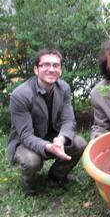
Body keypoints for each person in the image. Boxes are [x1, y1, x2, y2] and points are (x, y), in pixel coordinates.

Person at [7, 49, 87, 196]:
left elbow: (68, 120)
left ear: (60, 70)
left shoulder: (64, 88)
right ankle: (28, 183)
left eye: (56, 65)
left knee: (80, 143)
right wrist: (48, 146)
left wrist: (61, 139)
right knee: (31, 161)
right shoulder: (20, 95)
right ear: (36, 70)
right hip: (24, 142)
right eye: (45, 65)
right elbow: (25, 135)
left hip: (53, 137)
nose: (51, 69)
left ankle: (56, 176)